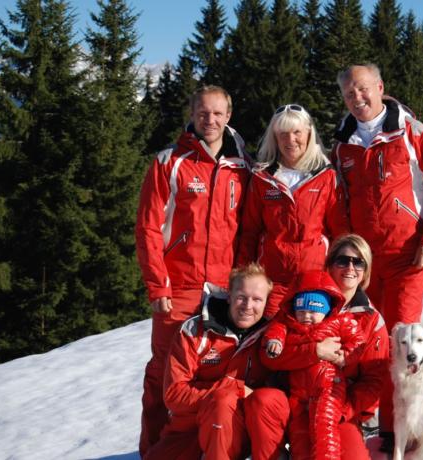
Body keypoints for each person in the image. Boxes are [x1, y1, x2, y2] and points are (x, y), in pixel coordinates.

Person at [331, 64, 423, 452]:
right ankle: (370, 420)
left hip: (406, 258)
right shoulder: (343, 143)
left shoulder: (413, 133)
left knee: (400, 342)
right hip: (364, 266)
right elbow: (340, 203)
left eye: (364, 89)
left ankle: (393, 429)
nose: (358, 98)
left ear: (381, 88)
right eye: (350, 93)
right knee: (368, 342)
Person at [135, 85, 252, 456]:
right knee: (163, 374)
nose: (210, 120)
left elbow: (249, 227)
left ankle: (203, 445)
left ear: (228, 115)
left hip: (223, 288)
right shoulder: (170, 161)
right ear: (192, 113)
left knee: (216, 372)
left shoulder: (242, 165)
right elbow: (148, 228)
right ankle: (153, 449)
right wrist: (158, 286)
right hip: (179, 287)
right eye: (203, 113)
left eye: (217, 113)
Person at [261, 233, 388, 459]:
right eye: (343, 260)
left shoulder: (371, 320)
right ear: (329, 265)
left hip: (337, 404)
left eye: (358, 262)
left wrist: (343, 409)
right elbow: (269, 355)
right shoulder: (302, 302)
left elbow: (374, 380)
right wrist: (314, 352)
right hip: (294, 399)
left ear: (366, 271)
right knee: (263, 404)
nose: (350, 267)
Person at [145, 263, 290, 460]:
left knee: (240, 401)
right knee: (222, 401)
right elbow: (174, 394)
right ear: (229, 296)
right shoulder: (195, 330)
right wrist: (234, 388)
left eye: (257, 299)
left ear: (266, 302)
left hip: (247, 430)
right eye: (241, 297)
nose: (248, 306)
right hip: (191, 429)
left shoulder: (271, 337)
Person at [237, 104, 349, 318]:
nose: (290, 140)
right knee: (271, 339)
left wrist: (339, 276)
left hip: (314, 279)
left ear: (308, 132)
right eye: (283, 134)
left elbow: (340, 233)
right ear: (274, 137)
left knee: (309, 342)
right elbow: (250, 232)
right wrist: (244, 276)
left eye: (297, 132)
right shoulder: (262, 178)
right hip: (272, 280)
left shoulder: (325, 176)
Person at [263, 270, 366, 460]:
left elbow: (359, 341)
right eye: (301, 311)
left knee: (324, 430)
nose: (306, 317)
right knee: (299, 435)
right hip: (298, 394)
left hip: (328, 388)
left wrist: (345, 356)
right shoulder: (288, 323)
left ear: (325, 309)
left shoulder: (338, 322)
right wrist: (275, 341)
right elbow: (275, 329)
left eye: (313, 311)